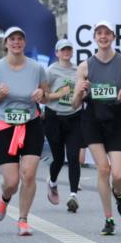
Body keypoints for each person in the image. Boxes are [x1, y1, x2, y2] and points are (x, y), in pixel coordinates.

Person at [72, 21, 121, 235]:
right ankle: (109, 218)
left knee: (119, 174)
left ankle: (118, 191)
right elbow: (75, 104)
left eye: (107, 33)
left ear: (113, 37)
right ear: (94, 37)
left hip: (114, 120)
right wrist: (80, 91)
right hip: (92, 120)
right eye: (99, 33)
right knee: (103, 169)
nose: (103, 37)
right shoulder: (85, 66)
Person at [0, 27, 49, 235]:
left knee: (28, 174)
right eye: (12, 39)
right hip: (5, 125)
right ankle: (5, 198)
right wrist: (0, 95)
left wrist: (42, 94)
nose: (16, 42)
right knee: (12, 182)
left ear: (24, 43)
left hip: (31, 123)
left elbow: (46, 95)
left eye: (20, 39)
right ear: (6, 43)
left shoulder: (36, 68)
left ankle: (23, 220)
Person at [43, 39, 84, 211]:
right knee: (59, 158)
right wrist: (59, 94)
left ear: (72, 52)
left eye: (68, 49)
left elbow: (82, 92)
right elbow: (43, 97)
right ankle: (52, 181)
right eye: (62, 50)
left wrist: (81, 95)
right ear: (57, 53)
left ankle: (73, 196)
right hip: (54, 117)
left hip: (74, 116)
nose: (66, 52)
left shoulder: (78, 71)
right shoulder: (50, 71)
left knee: (74, 157)